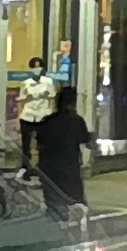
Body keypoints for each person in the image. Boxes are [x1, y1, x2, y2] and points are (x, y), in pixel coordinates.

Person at [26, 82, 94, 223]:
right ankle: (75, 233)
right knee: (75, 202)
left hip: (49, 168)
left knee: (53, 204)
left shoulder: (48, 121)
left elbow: (37, 141)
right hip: (69, 168)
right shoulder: (76, 121)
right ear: (73, 103)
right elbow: (87, 141)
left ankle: (56, 226)